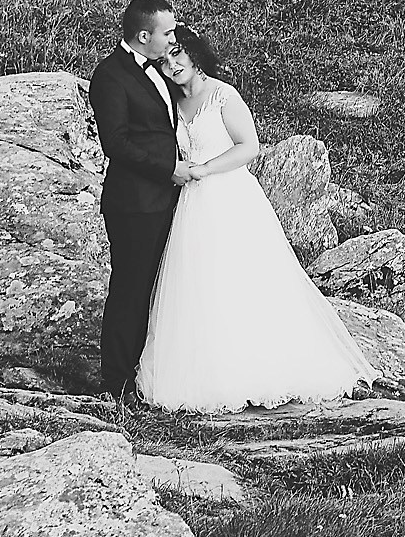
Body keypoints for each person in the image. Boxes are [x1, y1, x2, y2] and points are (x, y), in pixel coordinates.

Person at [134, 31, 379, 412]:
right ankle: (211, 368)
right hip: (192, 204)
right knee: (200, 283)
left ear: (195, 55)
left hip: (230, 195)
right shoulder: (171, 103)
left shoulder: (223, 95)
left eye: (178, 55)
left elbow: (248, 147)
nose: (173, 66)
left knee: (245, 278)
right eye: (165, 61)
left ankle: (263, 363)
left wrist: (204, 169)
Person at [86, 0, 193, 406]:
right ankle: (115, 382)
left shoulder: (164, 70)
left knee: (164, 287)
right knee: (131, 289)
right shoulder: (111, 76)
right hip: (135, 203)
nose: (174, 38)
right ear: (144, 34)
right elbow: (117, 143)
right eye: (167, 32)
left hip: (169, 199)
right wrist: (168, 170)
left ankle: (154, 372)